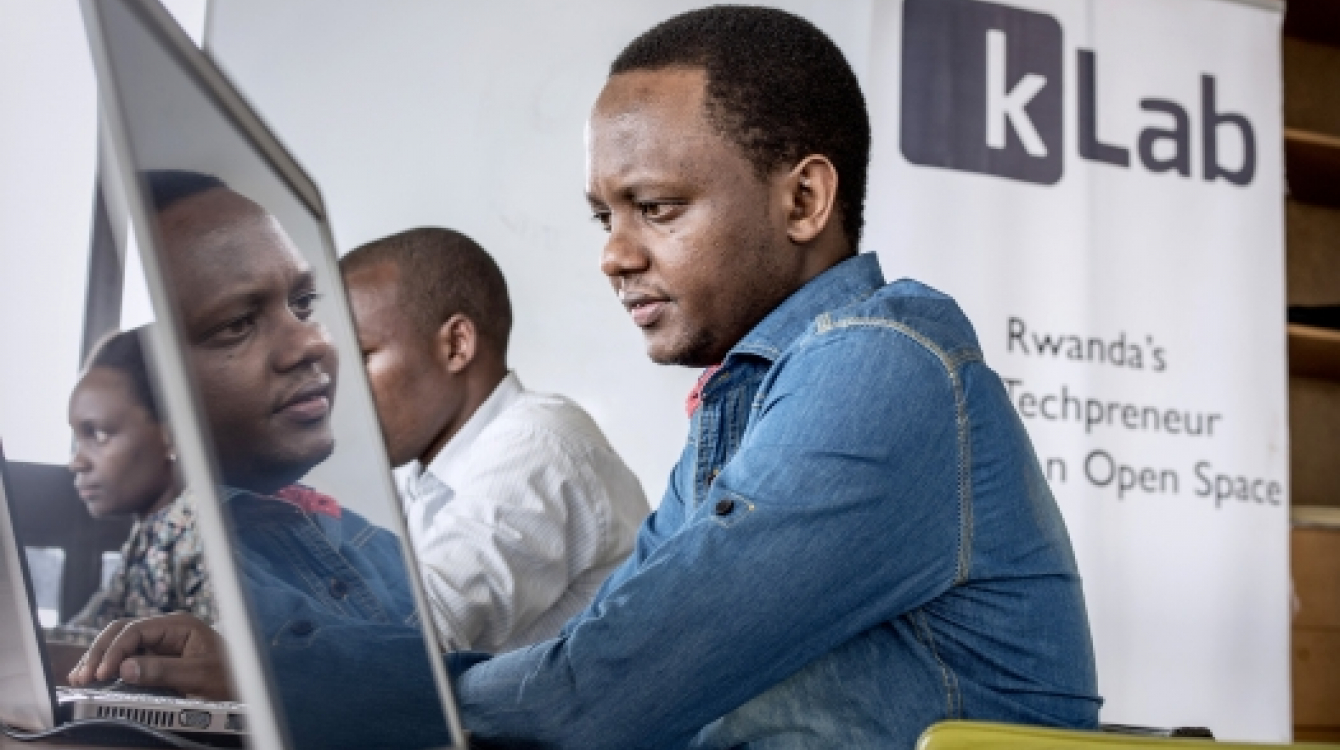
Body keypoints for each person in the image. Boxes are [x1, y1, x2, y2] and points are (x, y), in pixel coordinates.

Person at [444, 7, 1102, 748]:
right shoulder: (747, 399)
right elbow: (616, 659)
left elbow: (598, 691)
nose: (614, 256)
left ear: (803, 201)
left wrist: (368, 687)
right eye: (606, 218)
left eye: (655, 209)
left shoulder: (881, 364)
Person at [69, 171, 454, 750]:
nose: (313, 342)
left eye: (304, 303)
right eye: (238, 323)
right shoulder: (159, 536)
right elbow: (90, 635)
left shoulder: (218, 530)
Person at [340, 228, 648, 653]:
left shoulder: (537, 443)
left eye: (361, 358)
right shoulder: (424, 478)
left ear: (456, 345)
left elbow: (417, 636)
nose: (338, 391)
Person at [66, 327, 214, 630]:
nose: (76, 462)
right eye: (78, 438)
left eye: (98, 434)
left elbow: (221, 664)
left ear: (172, 434)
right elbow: (85, 636)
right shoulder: (147, 536)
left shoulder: (203, 529)